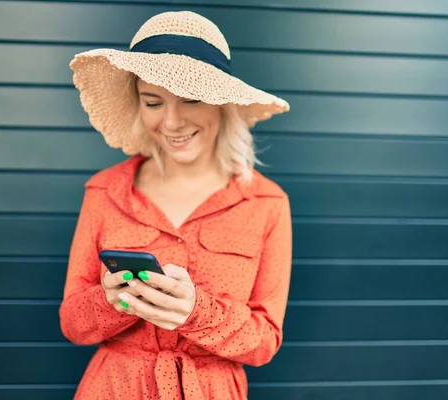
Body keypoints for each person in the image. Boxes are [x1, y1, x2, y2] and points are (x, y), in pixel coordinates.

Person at [58, 10, 293, 400]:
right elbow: (73, 324)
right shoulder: (104, 191)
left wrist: (198, 313)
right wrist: (112, 300)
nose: (171, 122)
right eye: (153, 102)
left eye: (190, 99)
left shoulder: (266, 203)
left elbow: (265, 341)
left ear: (222, 103)